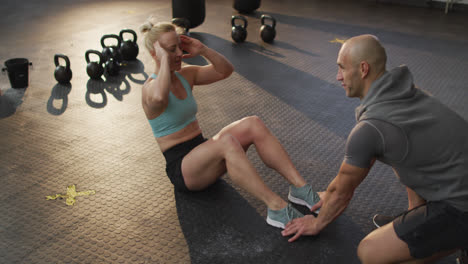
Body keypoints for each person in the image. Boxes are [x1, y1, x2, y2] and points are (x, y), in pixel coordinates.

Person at [282, 34, 468, 263]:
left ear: (363, 69)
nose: (338, 76)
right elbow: (398, 156)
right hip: (458, 182)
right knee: (400, 151)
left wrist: (317, 223)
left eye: (342, 68)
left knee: (369, 252)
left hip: (461, 205)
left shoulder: (372, 128)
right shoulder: (403, 90)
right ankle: (417, 215)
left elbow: (342, 191)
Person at [138, 18, 320, 229]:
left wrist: (203, 49)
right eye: (172, 49)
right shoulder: (149, 89)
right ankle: (276, 207)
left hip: (204, 153)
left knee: (252, 123)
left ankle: (299, 187)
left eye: (179, 46)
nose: (179, 53)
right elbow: (160, 98)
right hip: (184, 170)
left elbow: (225, 70)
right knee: (227, 143)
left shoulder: (186, 75)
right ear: (155, 53)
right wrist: (162, 57)